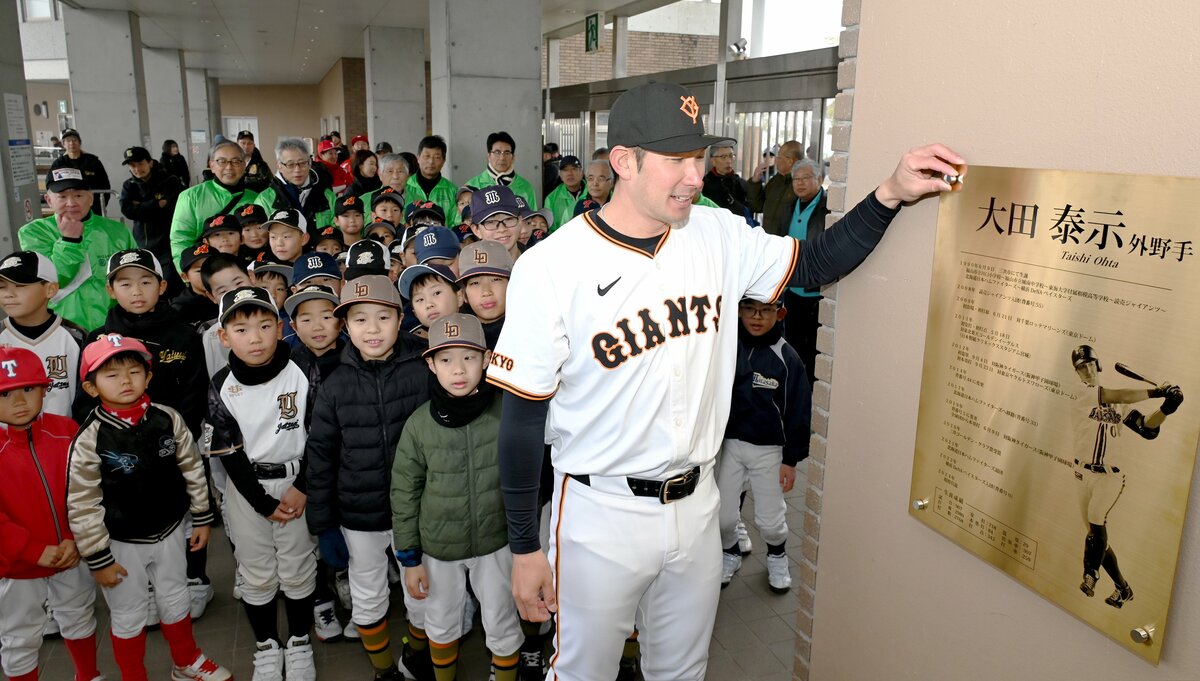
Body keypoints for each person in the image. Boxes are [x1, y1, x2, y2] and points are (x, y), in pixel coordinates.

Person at [489, 81, 964, 679]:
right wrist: (527, 547)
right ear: (624, 161)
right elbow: (523, 419)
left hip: (698, 504)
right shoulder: (551, 266)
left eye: (699, 156)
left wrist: (890, 193)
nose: (695, 175)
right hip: (598, 511)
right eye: (676, 160)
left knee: (683, 672)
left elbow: (813, 263)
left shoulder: (716, 234)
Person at [67, 334, 232, 681]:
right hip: (121, 543)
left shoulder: (167, 418)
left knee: (176, 597)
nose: (125, 381)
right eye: (111, 375)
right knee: (128, 614)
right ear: (91, 387)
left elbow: (192, 468)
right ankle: (133, 675)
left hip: (171, 530)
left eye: (134, 371)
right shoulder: (89, 439)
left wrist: (202, 517)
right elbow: (83, 504)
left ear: (149, 376)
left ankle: (186, 661)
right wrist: (98, 558)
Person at [305, 276, 433, 680]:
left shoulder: (424, 368)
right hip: (359, 512)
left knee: (421, 591)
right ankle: (383, 670)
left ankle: (414, 655)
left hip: (417, 508)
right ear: (346, 326)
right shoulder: (335, 382)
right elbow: (321, 455)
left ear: (400, 318)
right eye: (360, 319)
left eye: (383, 317)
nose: (372, 329)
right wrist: (323, 524)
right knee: (368, 593)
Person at [392, 313, 522, 681]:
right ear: (431, 364)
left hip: (496, 542)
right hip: (439, 548)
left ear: (486, 359)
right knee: (442, 622)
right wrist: (409, 557)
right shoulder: (419, 423)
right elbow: (404, 492)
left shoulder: (506, 413)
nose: (459, 369)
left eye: (469, 356)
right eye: (446, 359)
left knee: (501, 621)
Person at [207, 286, 319, 680]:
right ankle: (267, 644)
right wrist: (261, 502)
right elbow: (227, 451)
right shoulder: (221, 385)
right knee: (255, 570)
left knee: (298, 564)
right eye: (241, 329)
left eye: (264, 325)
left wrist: (303, 485)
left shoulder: (303, 369)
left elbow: (319, 433)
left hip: (296, 484)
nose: (254, 338)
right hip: (248, 488)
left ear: (280, 327)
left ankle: (300, 640)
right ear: (224, 336)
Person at [0, 346, 102, 681]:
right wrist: (32, 551)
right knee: (19, 635)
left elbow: (86, 488)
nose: (18, 402)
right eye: (5, 393)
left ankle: (88, 675)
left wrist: (75, 537)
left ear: (46, 388)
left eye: (28, 389)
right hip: (15, 565)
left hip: (71, 552)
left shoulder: (67, 430)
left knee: (78, 614)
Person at [1070, 345, 1184, 608]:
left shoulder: (1118, 403)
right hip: (1080, 473)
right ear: (1077, 373)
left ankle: (1090, 575)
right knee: (1095, 535)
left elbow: (1146, 428)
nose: (1086, 370)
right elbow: (1116, 394)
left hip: (1109, 477)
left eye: (1090, 365)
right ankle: (1123, 588)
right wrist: (1158, 391)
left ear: (1097, 366)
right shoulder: (1082, 394)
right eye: (1081, 367)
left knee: (1097, 521)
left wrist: (1167, 407)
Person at [717, 298, 808, 593]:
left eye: (766, 310)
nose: (757, 317)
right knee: (722, 516)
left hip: (770, 451)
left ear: (779, 313)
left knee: (770, 520)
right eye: (749, 309)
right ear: (739, 310)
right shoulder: (729, 348)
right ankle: (730, 551)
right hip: (730, 445)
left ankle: (777, 555)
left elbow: (798, 412)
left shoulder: (787, 358)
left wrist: (791, 460)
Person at [19, 168, 137, 331]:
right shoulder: (34, 232)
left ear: (91, 198)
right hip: (61, 328)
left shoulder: (117, 231)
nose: (71, 203)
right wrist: (69, 240)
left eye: (78, 195)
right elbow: (52, 281)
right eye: (62, 196)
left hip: (113, 327)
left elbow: (135, 277)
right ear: (49, 200)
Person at [0, 251, 88, 418]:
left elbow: (86, 398)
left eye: (20, 286)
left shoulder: (76, 337)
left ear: (50, 289)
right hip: (8, 442)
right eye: (1, 287)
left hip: (66, 439)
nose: (8, 294)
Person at [170, 140, 259, 274]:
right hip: (205, 272)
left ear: (244, 165)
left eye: (235, 161)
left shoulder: (256, 198)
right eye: (222, 161)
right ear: (211, 165)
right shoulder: (191, 196)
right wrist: (191, 276)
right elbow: (180, 240)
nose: (229, 167)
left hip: (246, 272)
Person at [777, 160, 828, 384]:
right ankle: (794, 387)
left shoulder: (827, 208)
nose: (799, 183)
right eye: (796, 179)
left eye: (805, 178)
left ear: (819, 179)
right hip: (791, 287)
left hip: (816, 290)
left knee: (814, 349)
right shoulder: (788, 205)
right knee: (792, 345)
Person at [120, 146, 187, 299]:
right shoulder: (129, 185)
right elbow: (127, 210)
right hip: (142, 243)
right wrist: (156, 204)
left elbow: (173, 207)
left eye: (140, 164)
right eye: (132, 166)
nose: (137, 169)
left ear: (150, 162)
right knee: (148, 284)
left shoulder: (169, 181)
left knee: (169, 285)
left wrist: (141, 206)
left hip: (167, 242)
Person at [255, 139, 336, 232]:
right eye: (290, 164)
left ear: (309, 163)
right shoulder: (264, 200)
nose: (297, 169)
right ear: (279, 165)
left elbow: (336, 231)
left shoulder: (327, 196)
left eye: (302, 163)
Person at [456, 241, 512, 350]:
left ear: (512, 284)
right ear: (464, 294)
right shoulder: (457, 336)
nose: (486, 292)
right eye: (475, 283)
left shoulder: (531, 327)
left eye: (496, 279)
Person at [465, 132, 537, 210]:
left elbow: (533, 219)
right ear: (488, 156)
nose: (502, 158)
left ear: (513, 157)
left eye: (507, 153)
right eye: (497, 152)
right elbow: (462, 219)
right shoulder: (472, 186)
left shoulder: (526, 187)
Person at [50, 128, 111, 216]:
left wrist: (100, 205)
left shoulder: (93, 161)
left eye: (74, 140)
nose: (71, 143)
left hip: (93, 208)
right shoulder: (58, 163)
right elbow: (51, 185)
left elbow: (105, 184)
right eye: (68, 140)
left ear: (80, 142)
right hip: (69, 208)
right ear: (63, 144)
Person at [746, 140, 801, 235]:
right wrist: (755, 182)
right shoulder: (775, 181)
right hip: (769, 240)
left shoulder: (801, 184)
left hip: (789, 243)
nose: (775, 160)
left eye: (779, 157)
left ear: (790, 161)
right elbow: (757, 206)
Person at [406, 136, 461, 228]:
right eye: (427, 156)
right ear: (418, 158)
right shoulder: (405, 187)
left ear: (443, 161)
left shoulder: (452, 191)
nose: (431, 161)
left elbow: (454, 225)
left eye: (437, 157)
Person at [468, 186, 523, 264]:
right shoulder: (470, 269)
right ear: (476, 230)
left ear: (520, 222)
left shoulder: (538, 260)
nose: (502, 229)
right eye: (491, 222)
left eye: (508, 219)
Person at [702, 141, 752, 224]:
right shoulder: (706, 185)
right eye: (723, 157)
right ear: (713, 160)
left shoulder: (740, 182)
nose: (729, 161)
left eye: (731, 156)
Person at [543, 155, 586, 230]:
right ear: (560, 175)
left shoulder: (593, 192)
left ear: (582, 173)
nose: (570, 173)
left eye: (574, 169)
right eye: (565, 170)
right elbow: (549, 229)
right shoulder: (551, 199)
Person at [570, 159, 613, 223]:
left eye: (600, 179)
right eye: (590, 179)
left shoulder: (618, 206)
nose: (595, 183)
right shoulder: (575, 207)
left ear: (611, 182)